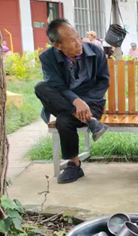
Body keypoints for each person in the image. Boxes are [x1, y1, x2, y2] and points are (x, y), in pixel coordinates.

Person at [35, 19, 110, 184]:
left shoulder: (95, 52)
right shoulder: (47, 57)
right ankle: (91, 121)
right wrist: (75, 101)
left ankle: (74, 165)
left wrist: (84, 102)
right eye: (71, 41)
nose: (78, 43)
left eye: (78, 37)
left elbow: (103, 82)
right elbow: (56, 86)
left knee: (64, 119)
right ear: (58, 45)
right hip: (63, 101)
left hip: (92, 103)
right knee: (41, 87)